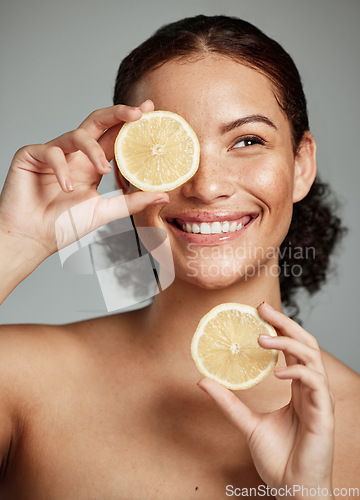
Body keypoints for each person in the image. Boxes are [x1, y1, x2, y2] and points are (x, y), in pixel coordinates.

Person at [0, 14, 359, 499]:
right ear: (127, 176)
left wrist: (308, 495)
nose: (206, 187)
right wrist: (13, 241)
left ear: (301, 166)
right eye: (170, 148)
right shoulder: (21, 382)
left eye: (247, 141)